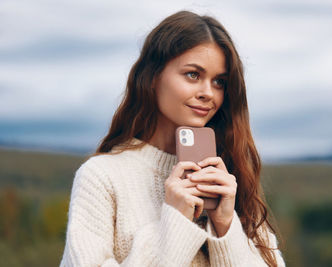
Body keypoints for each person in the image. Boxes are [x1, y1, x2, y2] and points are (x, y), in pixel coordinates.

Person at [60, 10, 285, 267]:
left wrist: (225, 224)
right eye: (193, 75)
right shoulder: (102, 177)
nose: (208, 93)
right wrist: (174, 222)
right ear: (153, 77)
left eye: (220, 82)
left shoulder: (230, 178)